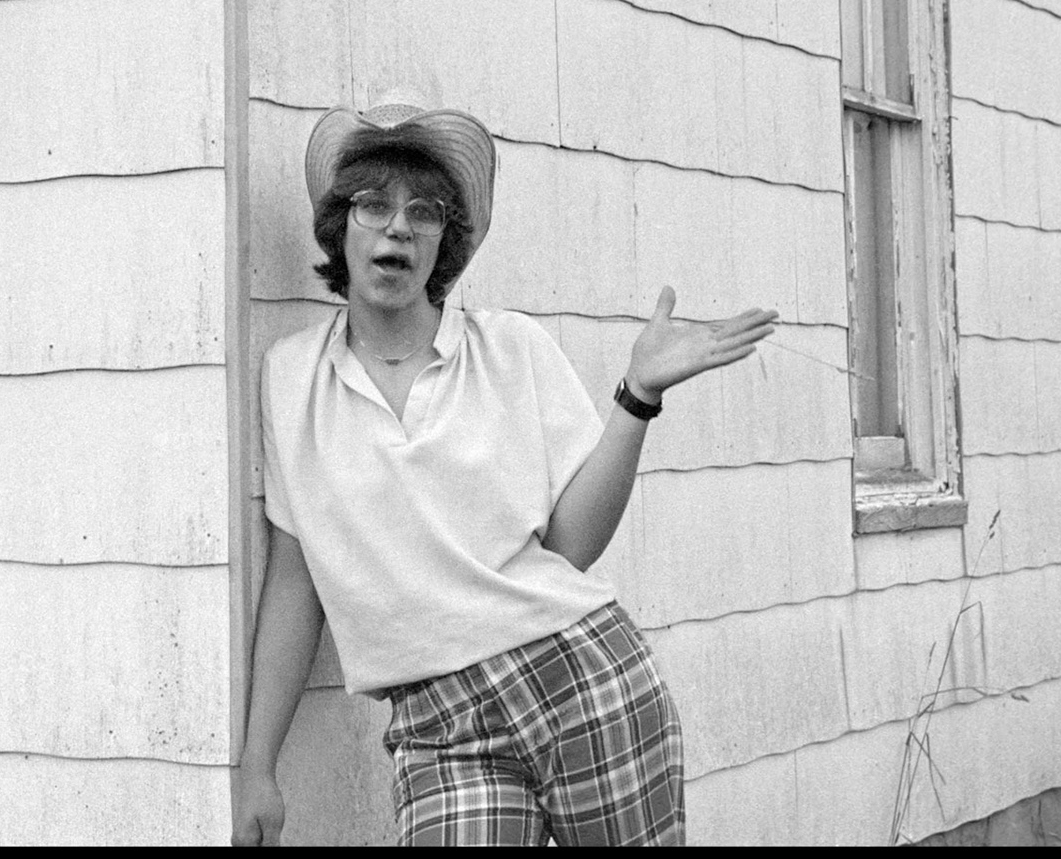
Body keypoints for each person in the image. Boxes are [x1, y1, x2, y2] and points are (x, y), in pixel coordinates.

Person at [232, 101, 777, 846]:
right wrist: (257, 763)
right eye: (373, 204)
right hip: (438, 727)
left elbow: (570, 544)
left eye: (424, 211)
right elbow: (295, 580)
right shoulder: (291, 379)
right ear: (339, 226)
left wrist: (638, 394)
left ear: (445, 242)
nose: (398, 227)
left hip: (583, 679)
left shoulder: (511, 350)